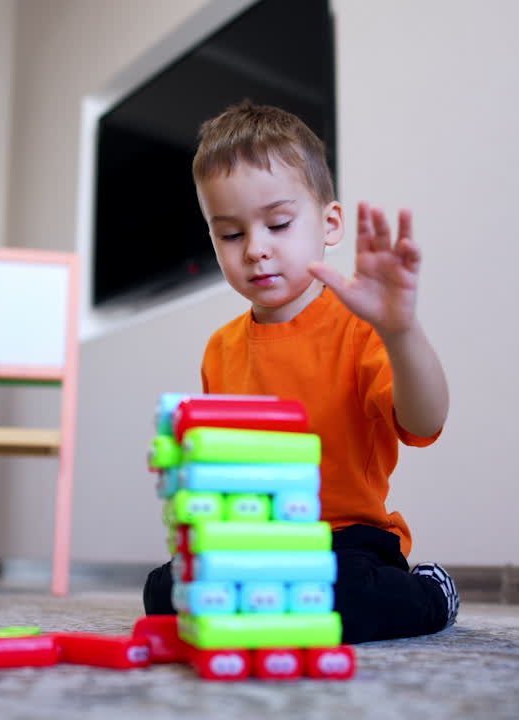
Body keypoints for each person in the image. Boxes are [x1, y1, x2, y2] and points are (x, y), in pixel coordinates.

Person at [143, 101, 458, 643]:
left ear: (328, 223)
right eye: (231, 234)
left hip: (347, 539)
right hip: (260, 542)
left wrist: (400, 331)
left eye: (279, 224)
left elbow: (425, 423)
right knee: (163, 592)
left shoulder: (360, 328)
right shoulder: (220, 349)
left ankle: (432, 592)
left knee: (344, 599)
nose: (257, 250)